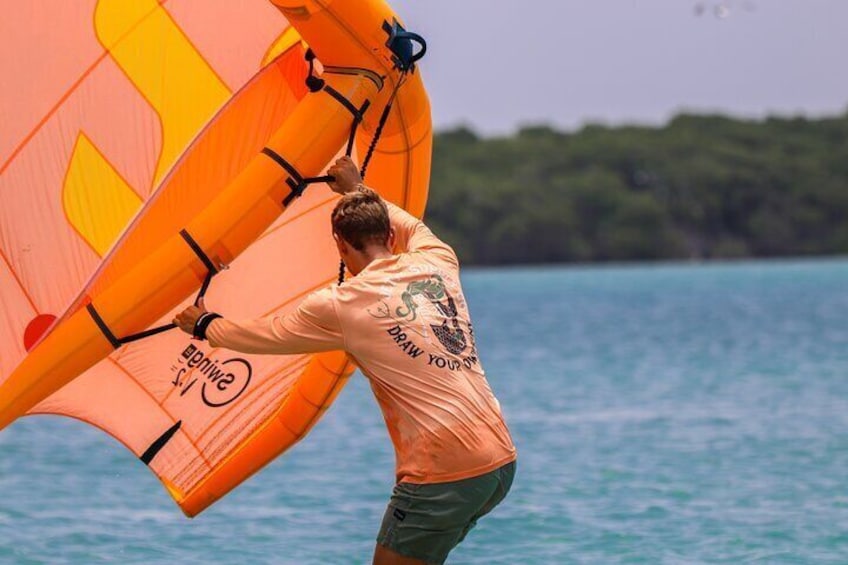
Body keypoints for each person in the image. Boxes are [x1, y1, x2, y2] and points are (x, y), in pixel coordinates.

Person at [175, 156, 516, 565]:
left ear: (339, 244)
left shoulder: (343, 304)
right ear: (389, 234)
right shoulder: (437, 259)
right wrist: (357, 189)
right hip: (499, 462)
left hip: (444, 470)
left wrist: (205, 325)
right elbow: (409, 223)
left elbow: (268, 335)